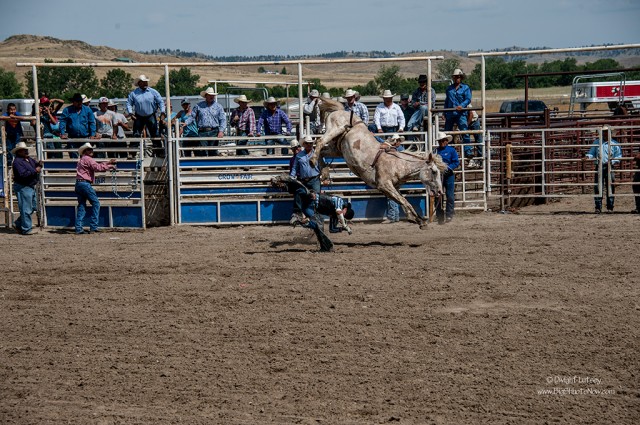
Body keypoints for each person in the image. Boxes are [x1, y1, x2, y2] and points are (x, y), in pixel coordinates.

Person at [74, 143, 117, 234]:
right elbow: (97, 167)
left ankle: (78, 228)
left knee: (82, 205)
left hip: (79, 183)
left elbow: (95, 166)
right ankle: (93, 226)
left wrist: (108, 163)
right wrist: (110, 166)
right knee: (96, 203)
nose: (91, 151)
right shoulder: (88, 159)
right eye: (89, 149)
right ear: (85, 151)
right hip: (85, 183)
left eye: (91, 149)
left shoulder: (82, 159)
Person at [582, 125, 622, 213]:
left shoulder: (614, 144)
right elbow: (591, 152)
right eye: (604, 132)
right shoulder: (597, 142)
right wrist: (587, 157)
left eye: (607, 132)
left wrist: (612, 161)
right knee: (598, 186)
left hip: (609, 166)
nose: (605, 133)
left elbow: (619, 156)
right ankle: (598, 207)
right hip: (599, 166)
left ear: (610, 133)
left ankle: (610, 207)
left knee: (610, 186)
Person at [126, 74, 165, 153]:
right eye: (143, 82)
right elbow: (128, 104)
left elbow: (161, 101)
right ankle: (132, 153)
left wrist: (163, 111)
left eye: (146, 82)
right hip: (138, 116)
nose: (145, 84)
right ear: (139, 83)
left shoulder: (153, 92)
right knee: (136, 134)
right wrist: (130, 113)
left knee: (154, 133)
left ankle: (159, 152)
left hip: (150, 114)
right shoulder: (133, 93)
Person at [184, 87, 226, 157]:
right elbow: (192, 116)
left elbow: (223, 119)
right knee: (202, 151)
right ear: (206, 96)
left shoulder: (219, 106)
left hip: (214, 131)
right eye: (210, 95)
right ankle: (204, 167)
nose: (211, 96)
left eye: (213, 95)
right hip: (202, 131)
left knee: (213, 151)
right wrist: (186, 122)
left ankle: (212, 167)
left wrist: (221, 131)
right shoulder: (198, 106)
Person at [11, 142, 42, 235]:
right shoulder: (17, 162)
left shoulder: (28, 159)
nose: (26, 151)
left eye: (26, 150)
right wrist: (35, 170)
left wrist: (39, 165)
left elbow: (37, 165)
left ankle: (19, 224)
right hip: (23, 186)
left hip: (28, 186)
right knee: (27, 208)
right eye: (24, 150)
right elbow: (23, 175)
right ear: (19, 152)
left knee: (32, 207)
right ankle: (26, 228)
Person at [289, 135, 321, 223]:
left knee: (316, 198)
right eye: (307, 143)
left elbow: (322, 165)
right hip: (304, 180)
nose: (309, 145)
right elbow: (295, 168)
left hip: (315, 179)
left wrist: (325, 176)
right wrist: (292, 177)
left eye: (310, 143)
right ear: (304, 144)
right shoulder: (299, 156)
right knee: (298, 193)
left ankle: (316, 216)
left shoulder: (317, 154)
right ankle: (297, 213)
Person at [444, 69, 473, 160]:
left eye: (459, 77)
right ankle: (448, 150)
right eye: (456, 77)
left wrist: (462, 105)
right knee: (447, 132)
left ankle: (468, 151)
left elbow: (468, 99)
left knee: (464, 131)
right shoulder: (449, 89)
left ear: (461, 78)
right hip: (450, 113)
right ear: (453, 78)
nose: (457, 78)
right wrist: (444, 112)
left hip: (461, 113)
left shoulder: (466, 88)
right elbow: (447, 101)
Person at [59, 93, 97, 159]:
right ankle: (74, 169)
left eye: (80, 101)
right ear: (73, 102)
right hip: (72, 137)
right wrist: (62, 133)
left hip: (85, 137)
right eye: (77, 101)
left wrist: (92, 134)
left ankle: (84, 169)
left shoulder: (87, 110)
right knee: (73, 156)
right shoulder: (67, 110)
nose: (79, 103)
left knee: (86, 157)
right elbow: (62, 121)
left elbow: (92, 122)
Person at [379, 134, 406, 224]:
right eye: (397, 140)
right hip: (397, 175)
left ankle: (392, 216)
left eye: (398, 140)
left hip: (396, 175)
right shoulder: (399, 150)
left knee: (391, 195)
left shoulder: (398, 150)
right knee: (394, 195)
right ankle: (395, 216)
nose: (398, 142)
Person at [434, 131, 460, 223]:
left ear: (446, 141)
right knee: (438, 196)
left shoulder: (451, 150)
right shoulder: (436, 151)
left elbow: (456, 162)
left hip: (448, 175)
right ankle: (440, 216)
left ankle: (449, 215)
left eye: (442, 141)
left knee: (449, 196)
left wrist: (449, 168)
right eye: (440, 141)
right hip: (438, 176)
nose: (441, 143)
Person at [466, 103, 483, 168]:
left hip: (473, 121)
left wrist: (467, 125)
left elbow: (471, 114)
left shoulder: (466, 102)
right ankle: (472, 159)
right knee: (468, 139)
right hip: (469, 121)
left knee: (479, 141)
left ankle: (479, 160)